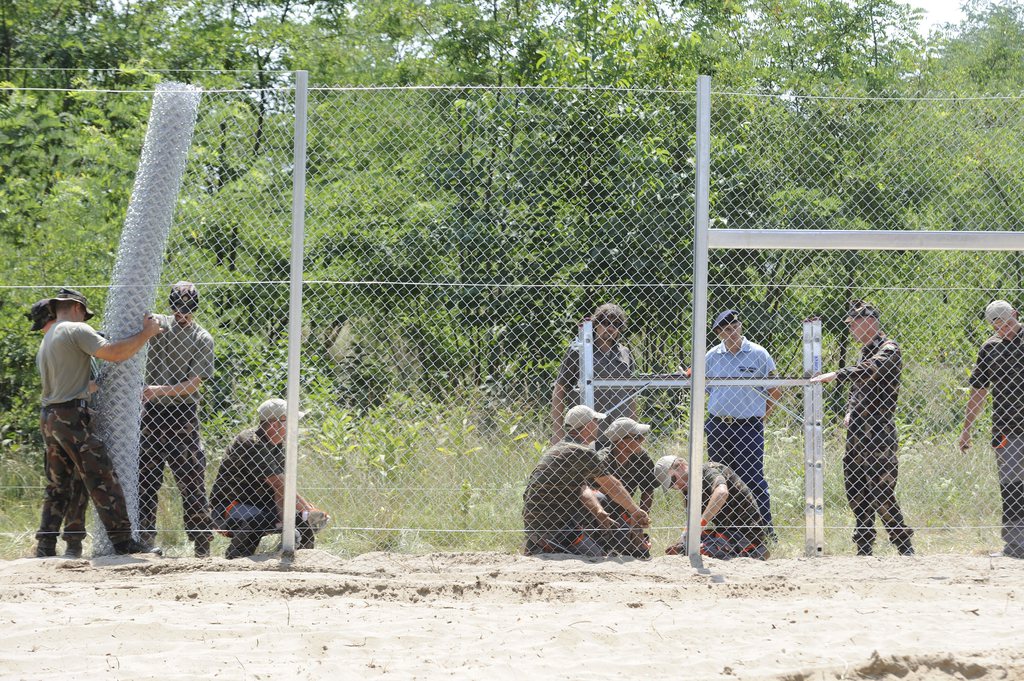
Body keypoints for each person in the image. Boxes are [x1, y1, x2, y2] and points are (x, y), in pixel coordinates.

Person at [35, 287, 164, 557]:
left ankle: (46, 545)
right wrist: (145, 334)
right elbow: (113, 353)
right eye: (85, 314)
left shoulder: (48, 338)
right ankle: (123, 542)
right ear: (77, 308)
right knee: (101, 475)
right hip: (71, 416)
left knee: (58, 484)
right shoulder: (75, 329)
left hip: (50, 416)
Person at [810, 300, 914, 556]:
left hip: (878, 432)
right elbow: (858, 390)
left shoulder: (888, 349)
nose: (852, 329)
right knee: (857, 490)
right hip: (857, 433)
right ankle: (864, 548)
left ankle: (904, 546)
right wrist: (848, 411)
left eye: (855, 323)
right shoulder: (865, 351)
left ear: (869, 321)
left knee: (881, 491)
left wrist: (837, 374)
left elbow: (870, 371)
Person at [137, 282, 215, 557]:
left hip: (182, 414)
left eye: (188, 309)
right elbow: (143, 319)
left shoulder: (202, 338)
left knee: (191, 478)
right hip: (152, 414)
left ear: (195, 308)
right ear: (171, 305)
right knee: (146, 478)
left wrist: (160, 390)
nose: (182, 314)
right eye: (178, 308)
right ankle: (145, 539)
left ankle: (202, 543)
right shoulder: (157, 325)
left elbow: (194, 384)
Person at [523, 405, 650, 557]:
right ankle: (615, 549)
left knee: (600, 499)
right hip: (555, 527)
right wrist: (635, 511)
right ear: (589, 425)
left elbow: (583, 489)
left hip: (535, 526)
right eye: (596, 421)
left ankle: (544, 546)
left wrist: (598, 512)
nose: (598, 425)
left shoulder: (560, 448)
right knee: (597, 557)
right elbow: (613, 486)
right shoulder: (581, 452)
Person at [210, 399, 329, 559]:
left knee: (300, 519)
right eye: (290, 422)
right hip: (229, 507)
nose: (294, 427)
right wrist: (308, 510)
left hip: (261, 505)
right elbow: (279, 485)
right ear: (275, 424)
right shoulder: (252, 443)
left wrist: (303, 514)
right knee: (259, 519)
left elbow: (281, 492)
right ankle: (235, 559)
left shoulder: (276, 445)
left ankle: (298, 559)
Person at [703, 309, 781, 538]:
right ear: (719, 333)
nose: (733, 332)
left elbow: (775, 391)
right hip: (718, 426)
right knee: (720, 479)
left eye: (736, 327)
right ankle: (727, 531)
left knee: (752, 478)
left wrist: (760, 415)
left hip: (748, 427)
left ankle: (765, 531)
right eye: (727, 329)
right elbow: (709, 391)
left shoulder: (758, 354)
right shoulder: (712, 357)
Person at [959, 300, 1024, 559]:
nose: (1005, 331)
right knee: (1011, 487)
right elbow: (978, 391)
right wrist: (967, 429)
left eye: (1008, 324)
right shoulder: (990, 348)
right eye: (998, 328)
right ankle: (1015, 546)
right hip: (1006, 428)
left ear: (1016, 315)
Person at [28, 299, 89, 559]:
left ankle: (55, 544)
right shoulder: (57, 343)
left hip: (57, 417)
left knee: (62, 484)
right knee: (69, 483)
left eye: (44, 324)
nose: (43, 330)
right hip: (69, 417)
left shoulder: (66, 341)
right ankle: (61, 544)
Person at [550, 303, 637, 445]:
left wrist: (633, 428)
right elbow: (559, 390)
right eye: (606, 322)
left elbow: (632, 394)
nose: (610, 328)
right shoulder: (579, 351)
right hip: (586, 434)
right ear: (596, 324)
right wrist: (558, 430)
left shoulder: (625, 353)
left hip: (620, 434)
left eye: (616, 325)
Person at [654, 455, 768, 560]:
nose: (676, 486)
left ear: (682, 466)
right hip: (724, 531)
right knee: (688, 547)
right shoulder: (688, 489)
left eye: (673, 480)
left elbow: (722, 493)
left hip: (747, 532)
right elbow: (693, 524)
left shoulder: (707, 470)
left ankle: (754, 552)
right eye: (671, 486)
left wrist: (701, 523)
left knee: (705, 550)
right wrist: (684, 539)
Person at [593, 417, 657, 558]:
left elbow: (648, 489)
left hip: (628, 509)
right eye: (637, 437)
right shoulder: (603, 459)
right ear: (622, 442)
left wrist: (640, 519)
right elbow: (597, 492)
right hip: (603, 509)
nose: (642, 440)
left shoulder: (642, 457)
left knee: (641, 553)